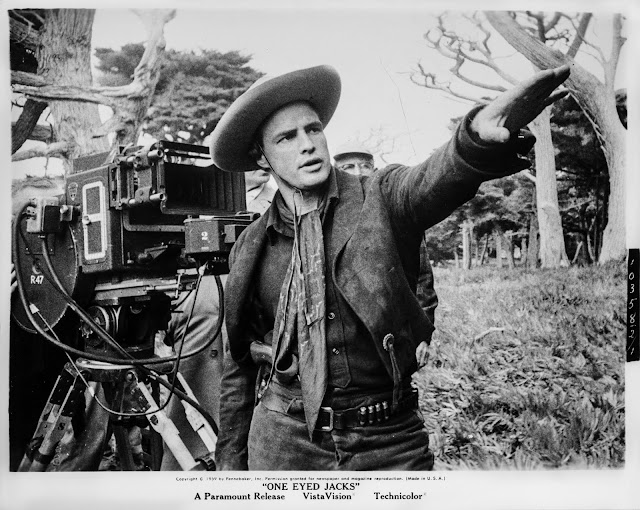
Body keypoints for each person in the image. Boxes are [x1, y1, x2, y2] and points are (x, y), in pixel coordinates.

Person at [208, 64, 570, 470]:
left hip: (387, 441)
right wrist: (230, 462)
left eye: (313, 130)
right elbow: (238, 365)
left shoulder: (380, 196)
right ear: (262, 156)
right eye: (287, 137)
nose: (308, 145)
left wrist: (473, 140)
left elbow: (429, 182)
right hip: (284, 443)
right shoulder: (251, 244)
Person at [333, 142, 437, 369]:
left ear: (374, 169)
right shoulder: (325, 216)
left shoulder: (394, 211)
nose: (358, 172)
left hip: (392, 330)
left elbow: (422, 276)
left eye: (365, 166)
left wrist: (423, 333)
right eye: (347, 167)